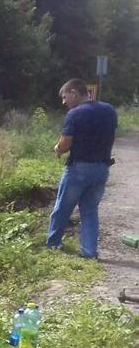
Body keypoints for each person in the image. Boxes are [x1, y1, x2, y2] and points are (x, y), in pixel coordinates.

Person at [46, 78, 118, 259]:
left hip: (79, 168)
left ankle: (53, 244)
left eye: (64, 97)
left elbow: (65, 144)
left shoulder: (75, 114)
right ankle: (89, 251)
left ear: (74, 93)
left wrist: (57, 149)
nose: (64, 102)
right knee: (90, 210)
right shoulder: (109, 110)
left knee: (63, 207)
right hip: (102, 168)